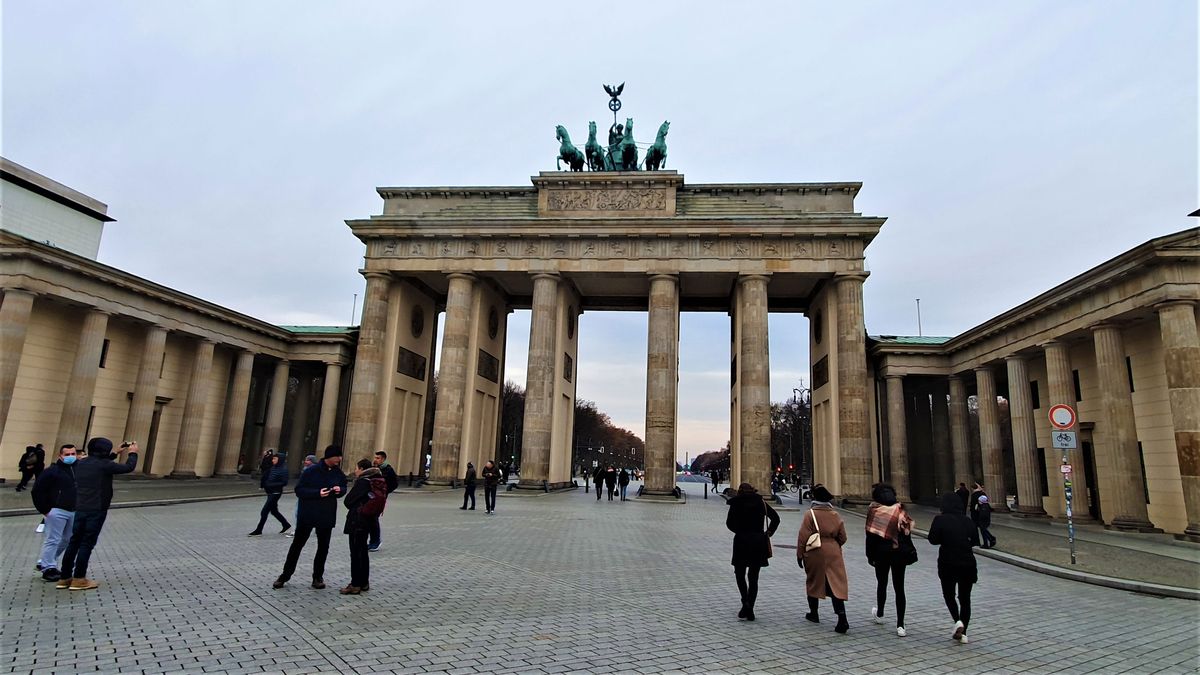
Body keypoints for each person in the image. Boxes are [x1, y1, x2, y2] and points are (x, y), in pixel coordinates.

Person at [56, 438, 138, 591]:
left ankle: (64, 577)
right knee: (87, 543)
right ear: (104, 451)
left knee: (74, 542)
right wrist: (132, 453)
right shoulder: (104, 465)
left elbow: (99, 463)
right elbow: (128, 467)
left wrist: (115, 453)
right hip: (97, 508)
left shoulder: (81, 463)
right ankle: (79, 579)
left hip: (80, 507)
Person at [273, 445, 346, 590]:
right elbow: (299, 490)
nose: (340, 459)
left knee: (323, 547)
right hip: (308, 513)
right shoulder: (311, 471)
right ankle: (285, 575)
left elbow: (343, 487)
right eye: (337, 456)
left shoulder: (338, 473)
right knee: (297, 545)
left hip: (326, 514)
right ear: (329, 457)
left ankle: (318, 577)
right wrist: (317, 493)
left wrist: (340, 490)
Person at [796, 484, 850, 633]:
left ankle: (814, 613)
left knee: (813, 581)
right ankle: (842, 617)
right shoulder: (835, 515)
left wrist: (800, 554)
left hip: (815, 551)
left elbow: (803, 537)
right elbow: (843, 537)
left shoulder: (810, 514)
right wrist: (833, 545)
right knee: (836, 584)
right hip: (833, 551)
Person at [928, 492, 980, 643]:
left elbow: (933, 539)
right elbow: (975, 541)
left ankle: (957, 621)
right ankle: (964, 633)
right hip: (968, 562)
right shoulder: (968, 521)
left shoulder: (940, 519)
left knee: (949, 595)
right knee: (965, 599)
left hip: (948, 562)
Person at [865, 483, 915, 637]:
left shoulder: (874, 511)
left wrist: (870, 556)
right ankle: (901, 625)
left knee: (882, 583)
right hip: (899, 552)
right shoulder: (900, 511)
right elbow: (907, 533)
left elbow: (870, 537)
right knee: (899, 588)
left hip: (881, 554)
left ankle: (880, 613)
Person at [726, 483, 780, 621]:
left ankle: (745, 602)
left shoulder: (736, 503)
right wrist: (768, 533)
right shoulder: (760, 502)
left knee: (739, 574)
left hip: (741, 541)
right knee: (753, 577)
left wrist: (739, 531)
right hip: (758, 542)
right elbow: (775, 518)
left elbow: (729, 523)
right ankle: (750, 606)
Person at [31, 444, 78, 582]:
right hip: (57, 510)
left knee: (68, 539)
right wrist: (45, 510)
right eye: (67, 454)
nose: (70, 456)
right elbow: (37, 491)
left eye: (73, 453)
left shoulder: (79, 469)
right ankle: (48, 568)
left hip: (74, 510)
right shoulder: (52, 471)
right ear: (60, 456)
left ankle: (45, 561)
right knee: (53, 539)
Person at [341, 458, 386, 594]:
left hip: (357, 520)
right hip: (368, 520)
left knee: (355, 553)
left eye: (356, 468)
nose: (355, 471)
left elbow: (348, 501)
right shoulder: (375, 481)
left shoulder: (362, 482)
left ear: (361, 469)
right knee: (362, 552)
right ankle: (364, 582)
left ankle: (355, 584)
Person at [248, 453, 291, 536]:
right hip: (270, 492)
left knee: (264, 511)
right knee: (274, 511)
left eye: (275, 459)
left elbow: (284, 482)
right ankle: (286, 524)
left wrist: (271, 485)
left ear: (280, 460)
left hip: (276, 492)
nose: (273, 460)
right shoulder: (273, 468)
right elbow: (267, 476)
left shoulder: (283, 470)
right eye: (273, 459)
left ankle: (259, 530)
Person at [367, 451, 398, 552]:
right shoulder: (374, 469)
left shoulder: (388, 470)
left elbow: (394, 484)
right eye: (375, 457)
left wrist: (384, 492)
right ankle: (372, 541)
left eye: (378, 458)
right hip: (371, 497)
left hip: (379, 498)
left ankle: (375, 541)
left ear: (383, 459)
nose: (375, 459)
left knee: (373, 519)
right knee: (370, 518)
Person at [285, 454, 318, 538]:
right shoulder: (308, 470)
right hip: (306, 494)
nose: (305, 461)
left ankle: (297, 530)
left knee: (298, 512)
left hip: (306, 495)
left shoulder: (310, 471)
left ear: (311, 461)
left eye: (307, 460)